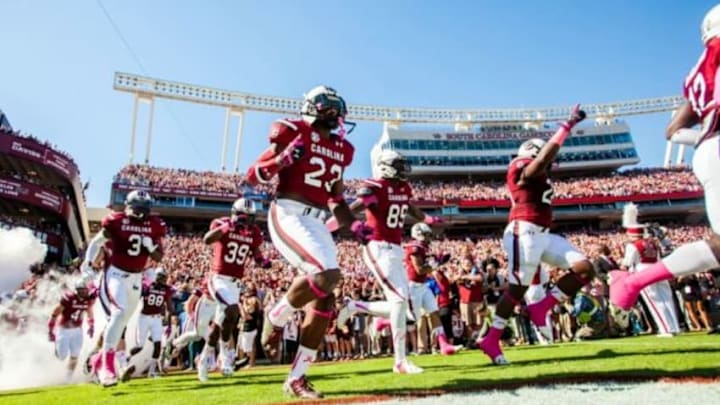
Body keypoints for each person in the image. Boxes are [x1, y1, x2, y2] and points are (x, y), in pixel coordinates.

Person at [247, 85, 366, 398]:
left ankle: (297, 378)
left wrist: (354, 226)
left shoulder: (342, 149)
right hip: (288, 212)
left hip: (316, 221)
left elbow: (336, 199)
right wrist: (282, 160)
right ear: (314, 106)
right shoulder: (291, 130)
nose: (335, 113)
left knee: (326, 296)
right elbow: (253, 176)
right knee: (326, 276)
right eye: (330, 106)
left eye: (338, 108)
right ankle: (277, 314)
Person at [610, 5, 720, 316]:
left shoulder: (702, 69)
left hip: (710, 150)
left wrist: (706, 137)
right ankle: (634, 281)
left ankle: (634, 281)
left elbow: (674, 130)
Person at [476, 105, 596, 365]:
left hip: (543, 233)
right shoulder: (521, 165)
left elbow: (543, 163)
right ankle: (491, 338)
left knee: (586, 269)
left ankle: (541, 306)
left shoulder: (540, 173)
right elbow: (540, 162)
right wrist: (567, 127)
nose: (550, 164)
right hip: (524, 231)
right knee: (517, 291)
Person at [331, 150, 448, 373]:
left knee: (403, 305)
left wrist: (428, 218)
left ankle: (355, 306)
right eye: (398, 164)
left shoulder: (403, 188)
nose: (403, 168)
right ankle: (400, 361)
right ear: (385, 166)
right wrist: (335, 222)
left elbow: (409, 207)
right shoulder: (375, 185)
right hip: (377, 246)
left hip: (394, 247)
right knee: (399, 301)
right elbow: (356, 205)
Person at [83, 190, 166, 386]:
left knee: (122, 322)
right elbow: (97, 241)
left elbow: (159, 257)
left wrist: (151, 247)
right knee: (118, 315)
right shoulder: (116, 221)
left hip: (136, 278)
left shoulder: (154, 225)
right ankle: (107, 365)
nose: (139, 213)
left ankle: (98, 359)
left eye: (143, 209)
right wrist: (87, 263)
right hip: (115, 274)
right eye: (137, 208)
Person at [196, 198, 270, 381]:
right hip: (218, 278)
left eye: (250, 217)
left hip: (235, 283)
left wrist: (263, 262)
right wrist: (227, 228)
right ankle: (225, 357)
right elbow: (207, 239)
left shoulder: (254, 233)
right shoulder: (222, 224)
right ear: (235, 214)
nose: (247, 221)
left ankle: (205, 359)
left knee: (220, 326)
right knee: (232, 310)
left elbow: (256, 254)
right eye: (244, 217)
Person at [619, 203, 680, 337]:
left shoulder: (633, 245)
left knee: (655, 301)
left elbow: (627, 263)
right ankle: (674, 327)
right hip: (659, 270)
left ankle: (665, 329)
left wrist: (620, 263)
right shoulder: (653, 243)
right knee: (667, 299)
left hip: (643, 272)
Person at [122, 269, 174, 380]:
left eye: (164, 277)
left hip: (156, 319)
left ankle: (152, 372)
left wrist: (168, 324)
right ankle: (126, 359)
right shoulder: (147, 286)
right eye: (161, 276)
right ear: (157, 276)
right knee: (140, 346)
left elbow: (170, 308)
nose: (163, 279)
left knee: (158, 345)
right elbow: (135, 298)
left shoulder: (167, 289)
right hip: (144, 318)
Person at [48, 279, 95, 381]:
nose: (84, 292)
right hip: (64, 330)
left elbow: (89, 313)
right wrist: (50, 330)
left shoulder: (87, 300)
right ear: (76, 290)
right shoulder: (69, 298)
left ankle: (68, 378)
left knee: (75, 355)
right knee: (62, 356)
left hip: (77, 331)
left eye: (85, 290)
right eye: (81, 290)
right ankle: (57, 349)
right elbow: (55, 313)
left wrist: (91, 325)